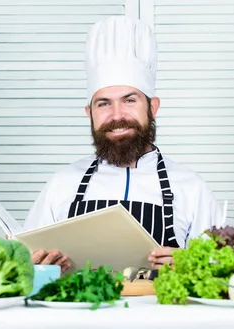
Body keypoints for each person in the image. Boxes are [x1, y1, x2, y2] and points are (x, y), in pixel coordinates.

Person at [23, 16, 222, 273]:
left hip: (163, 314)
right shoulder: (62, 184)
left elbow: (221, 274)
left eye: (129, 100)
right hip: (77, 314)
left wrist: (192, 265)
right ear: (90, 113)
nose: (117, 115)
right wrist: (39, 265)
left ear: (153, 107)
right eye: (104, 103)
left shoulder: (192, 188)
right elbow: (26, 263)